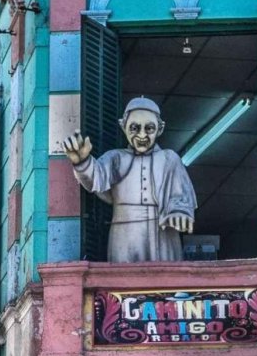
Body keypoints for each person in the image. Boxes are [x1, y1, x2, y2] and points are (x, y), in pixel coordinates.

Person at [62, 96, 198, 263]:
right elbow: (96, 178)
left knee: (165, 281)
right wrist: (82, 161)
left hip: (162, 233)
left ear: (160, 129)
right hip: (125, 232)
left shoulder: (169, 159)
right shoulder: (115, 158)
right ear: (123, 126)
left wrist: (180, 212)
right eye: (135, 128)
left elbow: (181, 195)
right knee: (123, 281)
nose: (142, 134)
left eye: (149, 128)